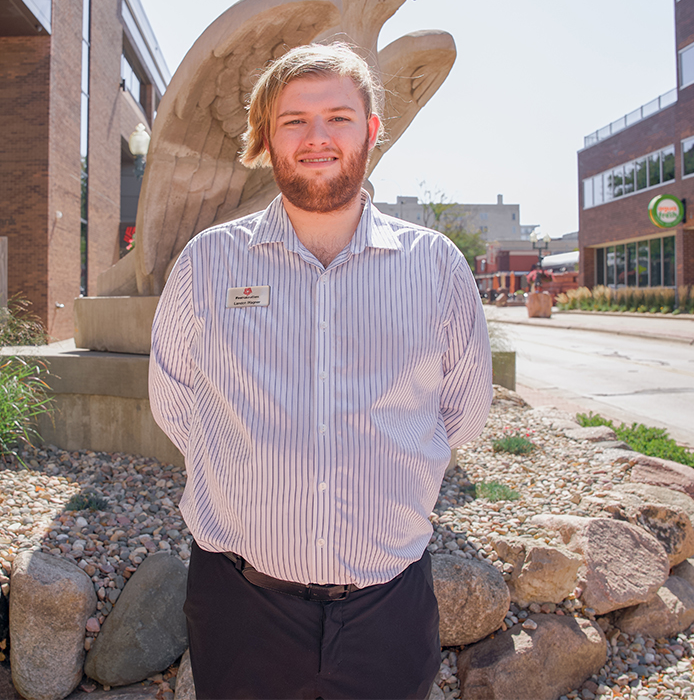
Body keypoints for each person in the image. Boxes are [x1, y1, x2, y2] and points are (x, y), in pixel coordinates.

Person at [148, 42, 493, 699]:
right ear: (266, 137)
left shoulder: (436, 268)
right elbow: (176, 401)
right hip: (240, 605)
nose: (316, 138)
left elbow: (462, 411)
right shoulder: (208, 264)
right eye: (293, 120)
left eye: (337, 116)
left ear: (372, 130)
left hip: (387, 607)